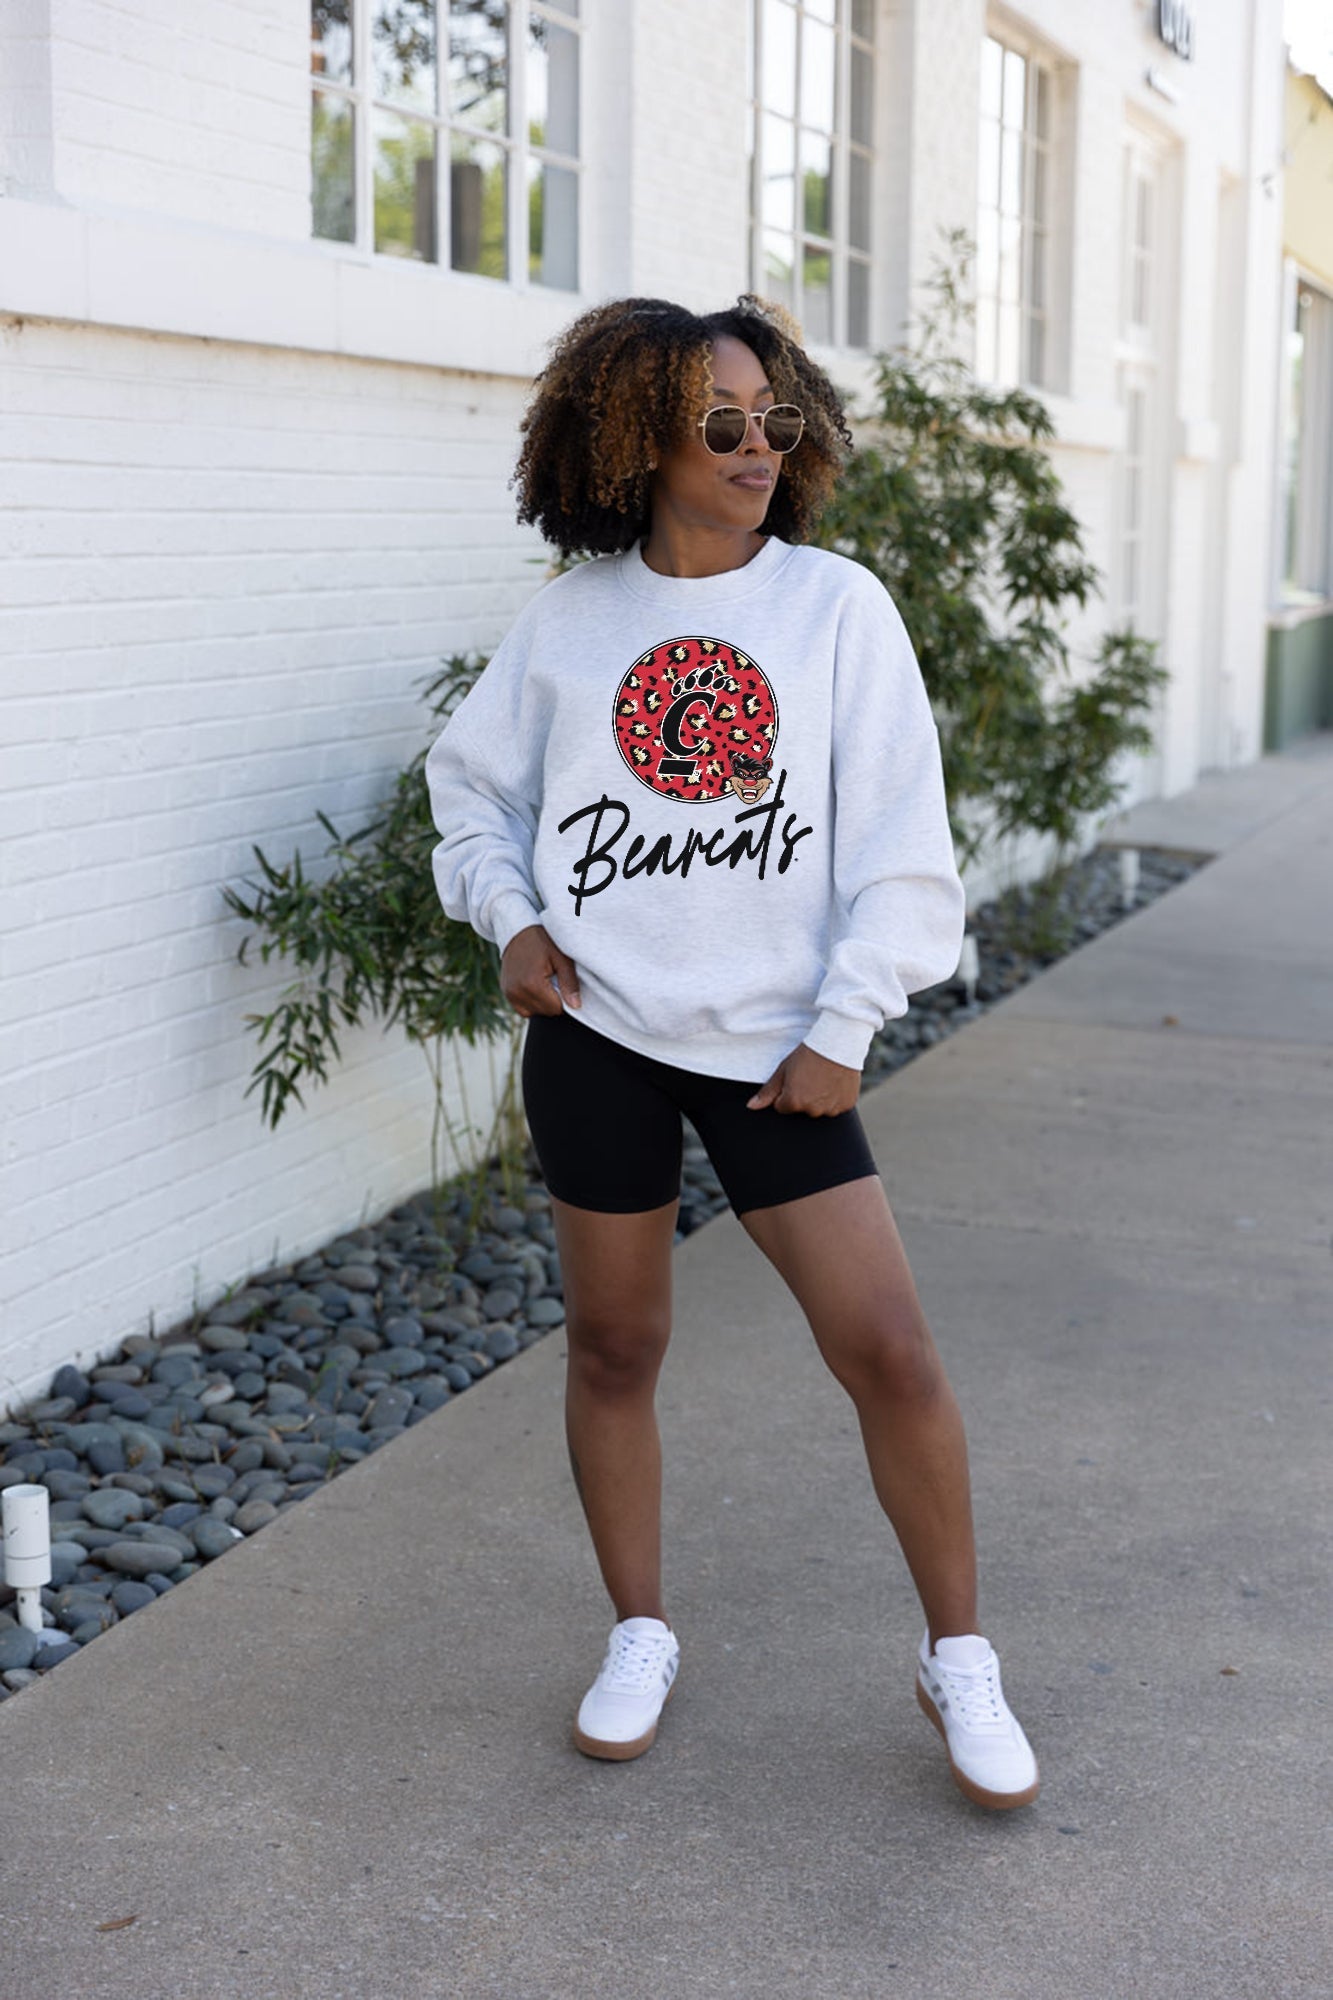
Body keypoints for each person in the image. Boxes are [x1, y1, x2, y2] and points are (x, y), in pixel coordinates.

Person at [426, 294, 1038, 1810]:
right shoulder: (570, 623)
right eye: (718, 423)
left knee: (887, 1352)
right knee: (614, 1347)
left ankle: (958, 1656)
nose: (756, 446)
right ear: (639, 441)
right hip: (601, 1038)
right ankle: (639, 1631)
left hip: (781, 1052)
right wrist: (511, 919)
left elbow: (903, 849)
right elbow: (472, 789)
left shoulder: (835, 611)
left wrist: (845, 1026)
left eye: (775, 419)